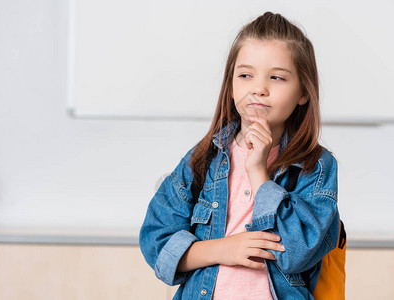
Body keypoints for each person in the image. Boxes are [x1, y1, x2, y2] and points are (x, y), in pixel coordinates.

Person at [139, 11, 340, 300]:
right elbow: (157, 243)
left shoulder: (316, 167)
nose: (259, 88)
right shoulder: (203, 158)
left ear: (303, 92)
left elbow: (297, 253)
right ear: (231, 85)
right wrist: (224, 248)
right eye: (246, 75)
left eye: (277, 77)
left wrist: (259, 173)